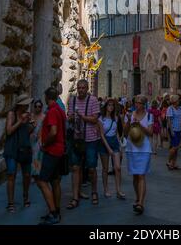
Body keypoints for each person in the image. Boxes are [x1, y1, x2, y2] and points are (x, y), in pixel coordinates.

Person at [67, 79, 100, 208]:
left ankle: (94, 192)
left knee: (91, 168)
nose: (80, 90)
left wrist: (82, 116)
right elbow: (69, 116)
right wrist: (70, 117)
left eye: (83, 88)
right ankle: (75, 197)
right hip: (76, 139)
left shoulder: (93, 100)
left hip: (90, 139)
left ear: (87, 89)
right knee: (75, 168)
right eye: (79, 88)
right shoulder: (72, 100)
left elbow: (95, 119)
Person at [37, 87, 66, 225]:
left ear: (47, 97)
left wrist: (44, 144)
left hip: (52, 150)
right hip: (59, 150)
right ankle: (57, 210)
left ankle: (53, 212)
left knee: (42, 181)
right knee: (55, 181)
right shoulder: (60, 110)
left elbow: (53, 132)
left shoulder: (53, 111)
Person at [3, 93, 33, 212]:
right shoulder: (12, 114)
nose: (27, 106)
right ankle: (11, 203)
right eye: (26, 104)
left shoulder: (28, 115)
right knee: (11, 175)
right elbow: (9, 131)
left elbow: (27, 132)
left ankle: (25, 196)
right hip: (12, 148)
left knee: (27, 175)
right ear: (20, 105)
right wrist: (20, 121)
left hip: (25, 148)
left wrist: (31, 125)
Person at [124, 95, 153, 215]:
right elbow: (125, 133)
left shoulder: (149, 115)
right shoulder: (129, 115)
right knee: (135, 176)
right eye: (136, 102)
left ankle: (141, 203)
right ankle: (137, 198)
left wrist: (140, 125)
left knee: (141, 175)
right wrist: (128, 123)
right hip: (131, 148)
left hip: (144, 149)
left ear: (144, 104)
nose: (137, 105)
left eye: (140, 103)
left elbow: (150, 133)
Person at [98, 98, 125, 199]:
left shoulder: (116, 118)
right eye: (109, 105)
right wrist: (108, 148)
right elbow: (101, 134)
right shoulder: (101, 119)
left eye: (112, 105)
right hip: (104, 143)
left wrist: (120, 145)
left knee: (117, 168)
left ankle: (118, 190)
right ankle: (106, 189)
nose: (111, 107)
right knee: (105, 169)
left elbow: (117, 133)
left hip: (114, 142)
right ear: (105, 106)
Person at [166, 95, 181, 170]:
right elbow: (169, 121)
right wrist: (171, 131)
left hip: (178, 129)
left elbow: (180, 119)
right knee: (174, 147)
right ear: (175, 101)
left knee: (177, 148)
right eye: (178, 100)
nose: (179, 101)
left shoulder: (180, 108)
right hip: (173, 130)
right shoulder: (170, 109)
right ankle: (169, 161)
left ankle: (174, 163)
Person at [30, 100, 45, 178]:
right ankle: (33, 172)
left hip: (39, 139)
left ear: (41, 107)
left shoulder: (43, 117)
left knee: (37, 156)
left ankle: (37, 172)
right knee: (32, 156)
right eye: (36, 106)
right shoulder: (31, 116)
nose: (37, 108)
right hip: (31, 138)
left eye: (39, 106)